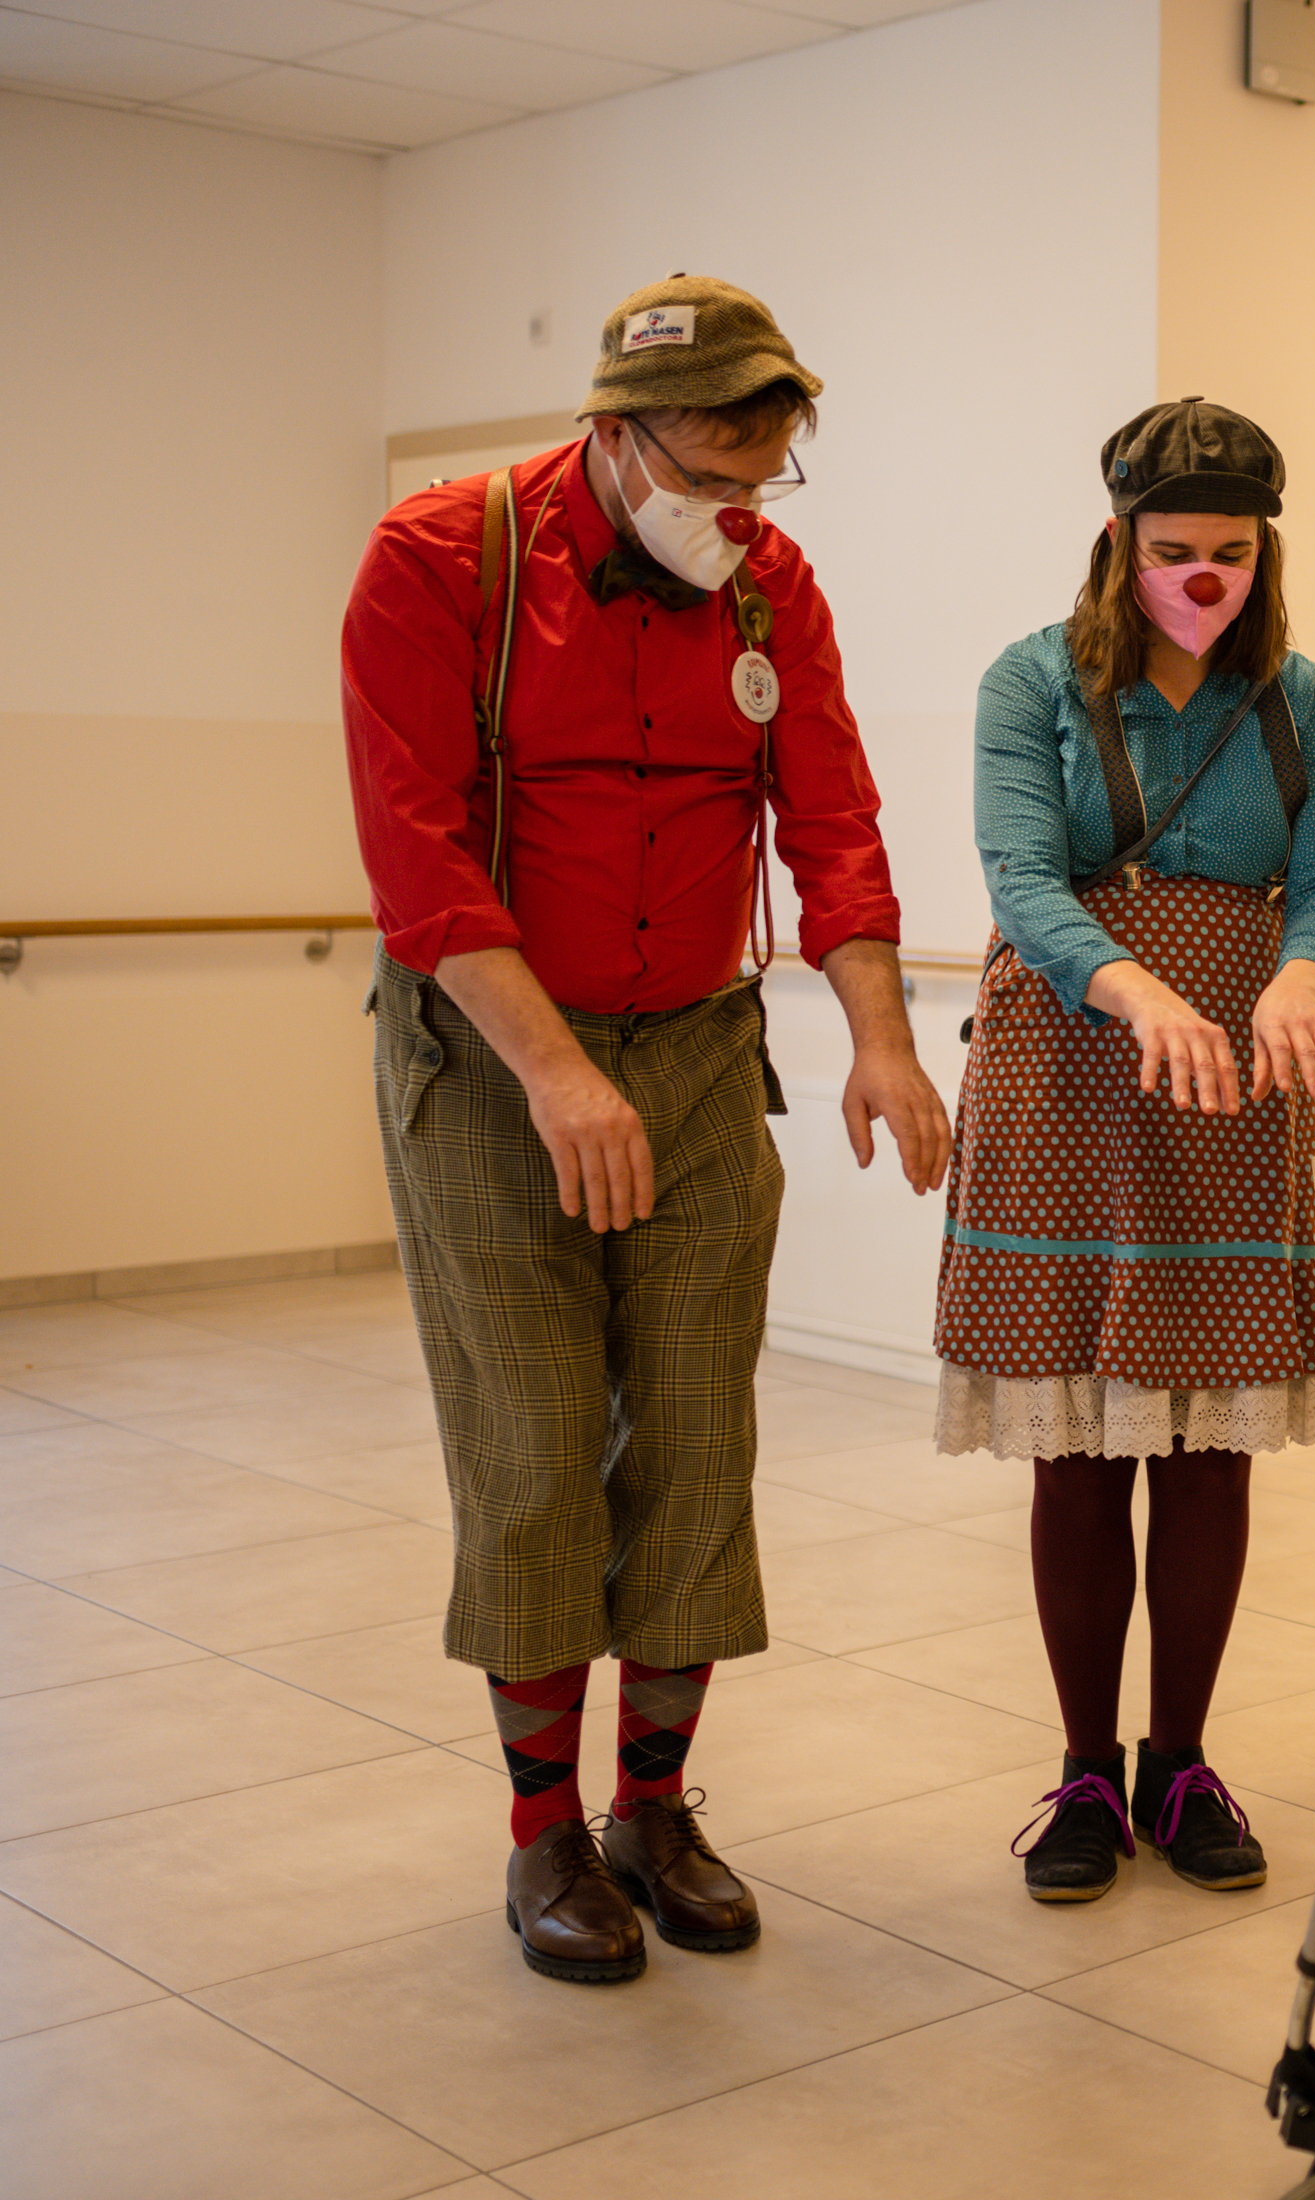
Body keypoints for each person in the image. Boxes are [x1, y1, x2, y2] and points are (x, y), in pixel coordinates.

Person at [343, 275, 951, 1985]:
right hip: (489, 1051)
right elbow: (418, 853)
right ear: (613, 439)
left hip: (691, 1049)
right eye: (706, 479)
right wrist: (552, 1072)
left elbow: (832, 818)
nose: (735, 518)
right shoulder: (443, 559)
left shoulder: (771, 589)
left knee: (692, 1434)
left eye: (763, 485)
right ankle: (542, 1838)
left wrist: (881, 1042)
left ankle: (654, 1810)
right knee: (535, 1443)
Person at [937, 397, 1315, 1904]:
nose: (1203, 579)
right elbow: (1020, 875)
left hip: (1235, 1073)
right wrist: (1138, 993)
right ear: (1118, 545)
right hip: (1074, 1054)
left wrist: (1302, 977)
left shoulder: (1305, 700)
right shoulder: (1032, 683)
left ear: (1268, 552)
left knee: (1202, 1443)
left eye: (1231, 554)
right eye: (1173, 551)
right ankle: (1083, 1771)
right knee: (1078, 1439)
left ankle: (1183, 1762)